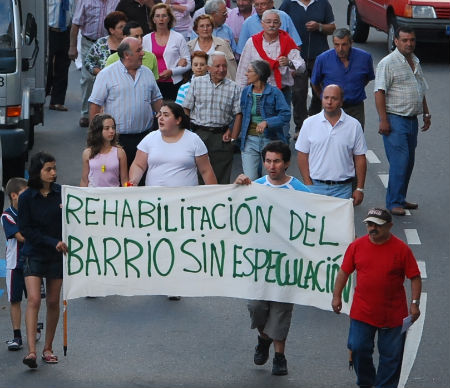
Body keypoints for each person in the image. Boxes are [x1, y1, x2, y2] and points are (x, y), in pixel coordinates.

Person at [234, 141, 310, 376]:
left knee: (281, 309)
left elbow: (317, 217)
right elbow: (234, 211)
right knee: (256, 306)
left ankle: (279, 356)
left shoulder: (299, 190)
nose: (271, 165)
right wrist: (238, 187)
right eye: (267, 161)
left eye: (277, 161)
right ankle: (263, 338)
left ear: (286, 163)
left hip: (286, 264)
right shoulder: (255, 186)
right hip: (258, 262)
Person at [332, 207, 422, 388]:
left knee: (391, 358)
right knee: (357, 348)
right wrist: (337, 296)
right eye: (369, 224)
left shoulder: (401, 250)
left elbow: (415, 277)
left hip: (393, 316)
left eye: (377, 225)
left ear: (389, 226)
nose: (372, 228)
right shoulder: (357, 246)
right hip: (362, 313)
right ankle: (366, 382)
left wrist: (415, 303)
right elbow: (344, 272)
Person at [374, 26, 431, 216]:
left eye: (412, 40)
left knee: (409, 162)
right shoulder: (387, 63)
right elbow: (379, 92)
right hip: (395, 119)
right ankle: (393, 202)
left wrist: (426, 113)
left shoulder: (414, 60)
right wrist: (383, 120)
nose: (409, 43)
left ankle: (400, 197)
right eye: (405, 40)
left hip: (412, 119)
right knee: (400, 161)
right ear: (396, 41)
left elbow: (420, 88)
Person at [19, 152, 68, 368]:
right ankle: (31, 351)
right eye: (48, 169)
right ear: (38, 171)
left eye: (54, 168)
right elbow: (26, 230)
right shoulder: (26, 197)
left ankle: (48, 348)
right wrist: (52, 242)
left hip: (56, 255)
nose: (53, 173)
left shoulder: (62, 194)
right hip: (35, 253)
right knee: (33, 300)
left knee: (54, 301)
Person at [89, 37, 163, 170]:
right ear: (127, 55)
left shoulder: (147, 73)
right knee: (116, 180)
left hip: (144, 138)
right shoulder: (106, 74)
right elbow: (95, 105)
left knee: (141, 180)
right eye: (139, 50)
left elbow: (156, 100)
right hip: (115, 140)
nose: (143, 53)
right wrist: (95, 138)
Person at [236, 10, 305, 140]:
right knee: (257, 131)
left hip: (281, 93)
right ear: (262, 24)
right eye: (268, 22)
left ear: (280, 24)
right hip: (257, 94)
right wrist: (240, 97)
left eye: (275, 22)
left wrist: (289, 63)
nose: (271, 25)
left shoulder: (287, 41)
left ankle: (280, 151)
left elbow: (302, 67)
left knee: (281, 131)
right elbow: (242, 71)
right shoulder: (252, 42)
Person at [295, 84, 367, 204]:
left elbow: (360, 158)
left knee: (340, 223)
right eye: (326, 97)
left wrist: (359, 188)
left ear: (341, 101)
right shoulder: (309, 123)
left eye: (334, 98)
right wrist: (308, 183)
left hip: (343, 190)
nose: (329, 102)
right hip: (315, 187)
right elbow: (302, 155)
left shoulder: (354, 125)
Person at [182, 51, 242, 184]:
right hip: (199, 133)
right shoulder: (197, 83)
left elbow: (238, 114)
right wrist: (187, 134)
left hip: (221, 136)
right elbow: (186, 108)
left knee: (221, 177)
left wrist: (233, 138)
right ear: (209, 68)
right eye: (217, 66)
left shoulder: (234, 88)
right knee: (197, 175)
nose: (222, 69)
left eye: (224, 66)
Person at [129, 101, 217, 186]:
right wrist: (133, 181)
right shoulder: (150, 138)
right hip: (155, 198)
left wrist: (214, 195)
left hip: (186, 198)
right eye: (160, 114)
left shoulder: (194, 140)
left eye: (166, 115)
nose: (161, 118)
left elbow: (206, 170)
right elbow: (138, 165)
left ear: (178, 120)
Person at [279, 0, 335, 133]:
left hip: (319, 56)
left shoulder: (323, 3)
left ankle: (314, 119)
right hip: (296, 57)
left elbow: (332, 28)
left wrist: (319, 27)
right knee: (298, 92)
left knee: (320, 91)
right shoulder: (288, 4)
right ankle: (301, 127)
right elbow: (280, 27)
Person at [1, 178, 44, 351]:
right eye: (23, 193)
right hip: (15, 264)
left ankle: (35, 326)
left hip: (33, 261)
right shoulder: (7, 215)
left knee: (34, 299)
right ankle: (17, 335)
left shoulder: (32, 211)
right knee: (15, 300)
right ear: (13, 196)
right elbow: (20, 237)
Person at [69, 0, 120, 127]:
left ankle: (109, 112)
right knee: (88, 78)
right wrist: (72, 47)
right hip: (89, 42)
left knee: (110, 78)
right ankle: (86, 114)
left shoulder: (117, 1)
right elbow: (75, 24)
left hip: (109, 43)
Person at [311, 28, 374, 128]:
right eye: (336, 44)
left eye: (344, 44)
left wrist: (355, 88)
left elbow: (367, 78)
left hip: (355, 108)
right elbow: (315, 83)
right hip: (332, 109)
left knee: (355, 139)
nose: (340, 48)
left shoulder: (365, 58)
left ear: (351, 43)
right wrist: (325, 97)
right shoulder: (322, 59)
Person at [239, 60, 291, 180]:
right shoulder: (246, 91)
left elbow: (286, 114)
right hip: (249, 140)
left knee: (270, 180)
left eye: (249, 71)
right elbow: (241, 113)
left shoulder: (275, 92)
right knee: (250, 180)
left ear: (259, 74)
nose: (246, 74)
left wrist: (268, 122)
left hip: (270, 141)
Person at [143, 3, 191, 100]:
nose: (161, 19)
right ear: (153, 19)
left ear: (169, 18)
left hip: (174, 83)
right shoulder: (146, 39)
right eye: (157, 16)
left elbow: (188, 63)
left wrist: (172, 71)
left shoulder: (178, 37)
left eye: (164, 15)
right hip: (153, 84)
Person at [236, 0, 301, 55]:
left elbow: (296, 45)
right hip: (258, 66)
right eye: (256, 5)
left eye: (263, 4)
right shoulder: (248, 23)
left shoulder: (283, 17)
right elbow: (242, 52)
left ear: (271, 4)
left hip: (282, 64)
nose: (259, 7)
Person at [80, 114, 128, 187]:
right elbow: (84, 180)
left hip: (113, 195)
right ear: (98, 131)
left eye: (113, 127)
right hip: (93, 195)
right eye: (107, 128)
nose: (112, 131)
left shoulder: (120, 152)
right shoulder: (87, 153)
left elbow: (124, 180)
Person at [187, 14, 237, 80]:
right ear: (196, 30)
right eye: (202, 26)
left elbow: (231, 68)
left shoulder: (223, 44)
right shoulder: (189, 46)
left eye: (208, 25)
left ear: (212, 28)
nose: (205, 29)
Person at [46, 0, 74, 112]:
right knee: (46, 66)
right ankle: (44, 92)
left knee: (63, 67)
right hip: (48, 32)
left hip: (66, 32)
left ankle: (57, 101)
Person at [84, 11, 128, 76]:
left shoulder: (130, 41)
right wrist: (101, 73)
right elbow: (88, 62)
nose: (124, 29)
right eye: (120, 27)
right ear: (111, 30)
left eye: (125, 26)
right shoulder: (101, 43)